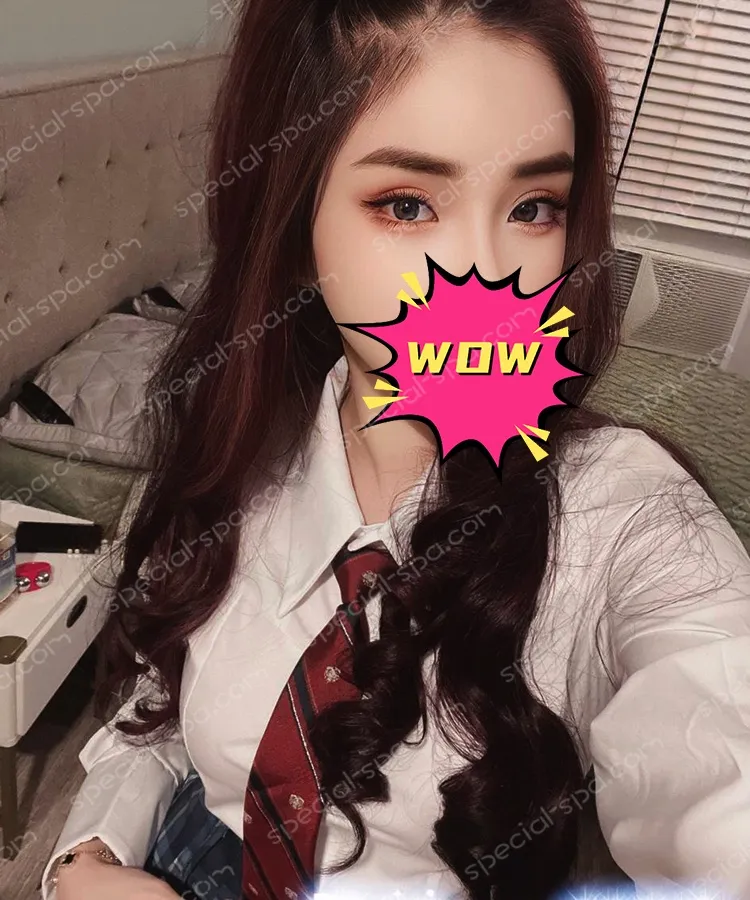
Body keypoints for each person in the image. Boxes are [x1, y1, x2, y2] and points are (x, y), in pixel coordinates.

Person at [42, 0, 750, 898]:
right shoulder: (232, 453)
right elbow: (162, 705)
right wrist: (87, 858)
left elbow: (718, 748)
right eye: (408, 205)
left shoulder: (629, 518)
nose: (491, 275)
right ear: (295, 231)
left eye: (534, 207)